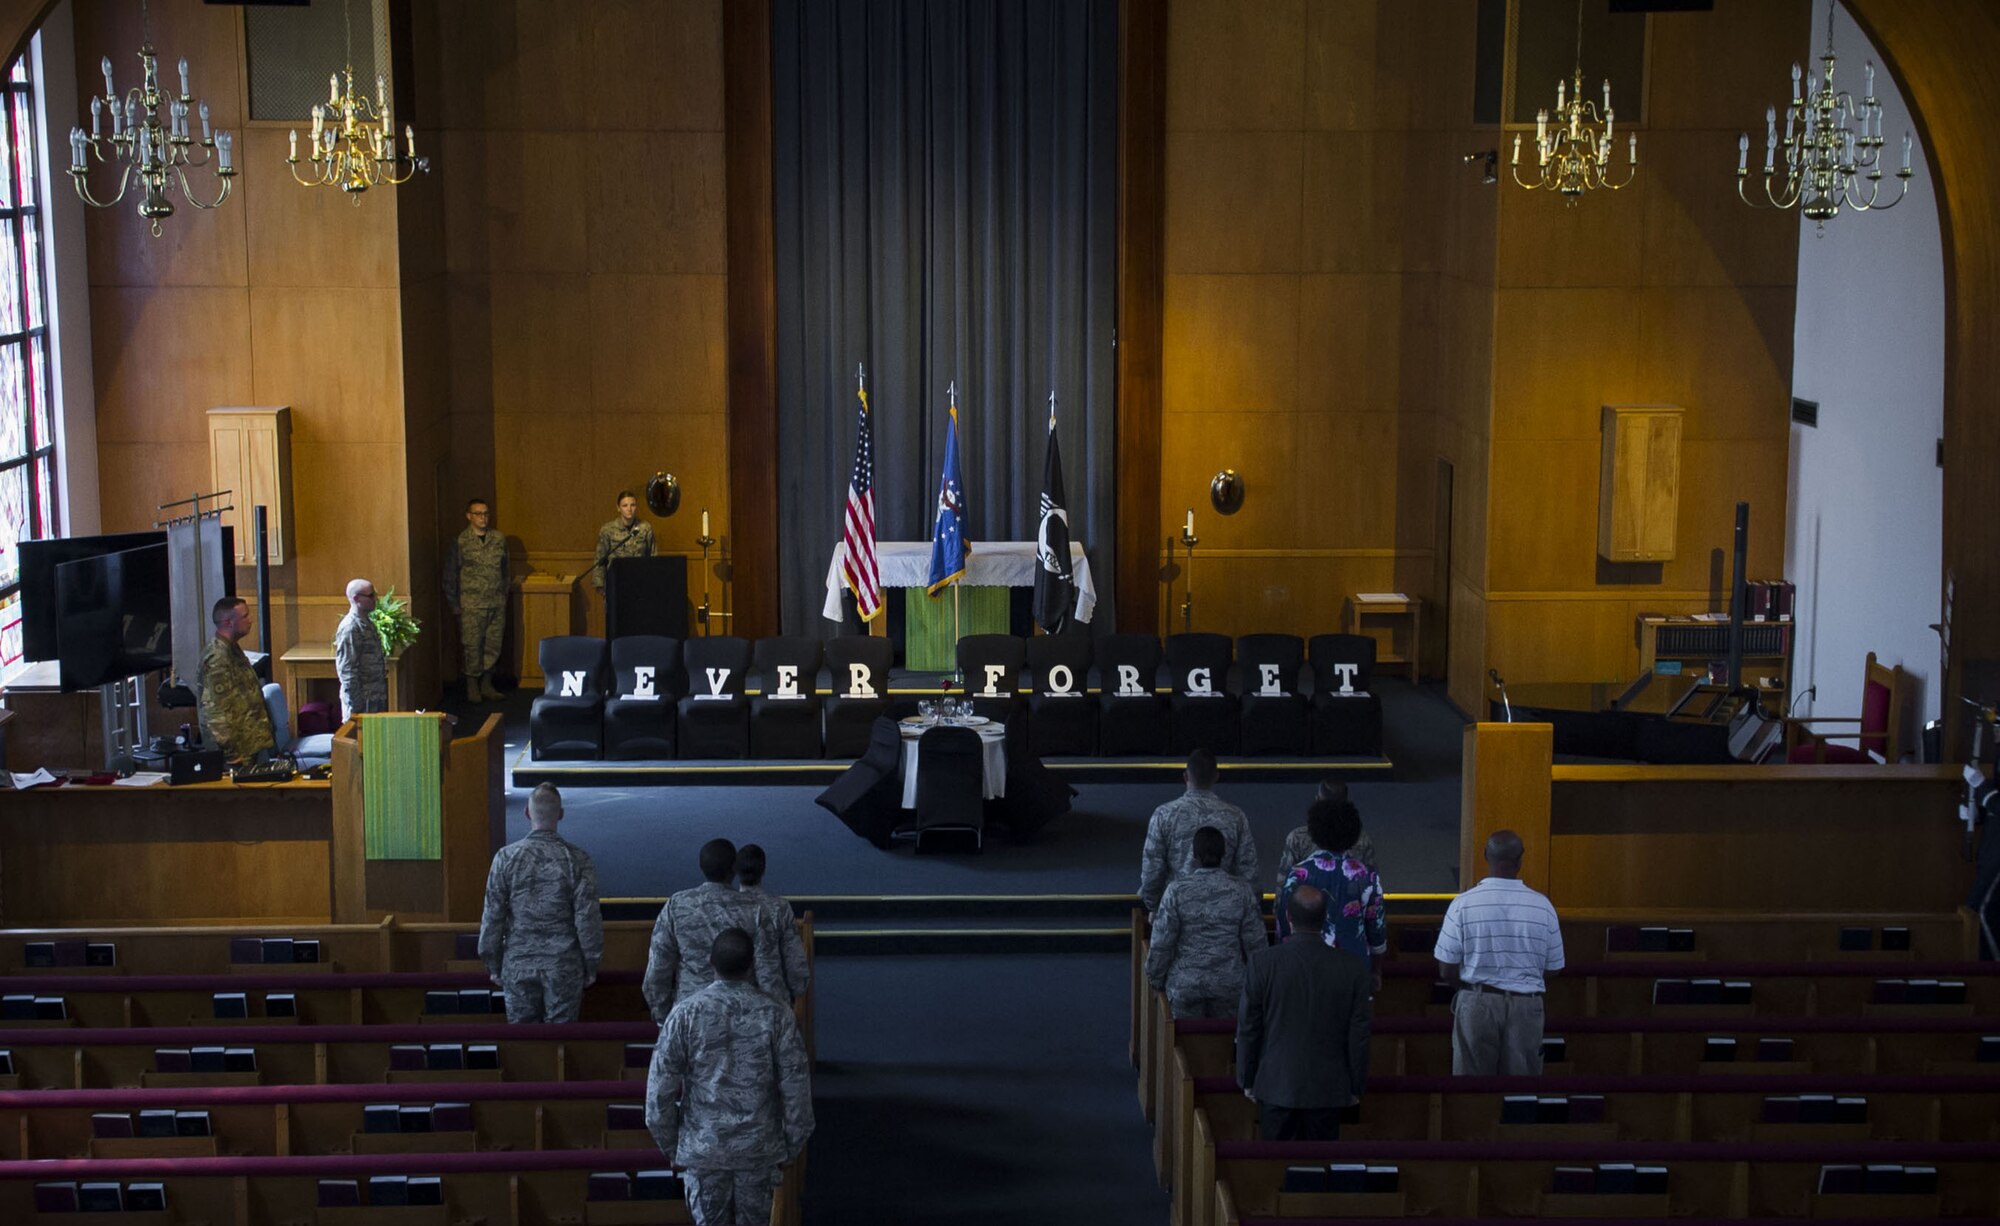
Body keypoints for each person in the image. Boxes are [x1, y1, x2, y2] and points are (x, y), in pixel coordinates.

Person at [647, 928, 814, 1226]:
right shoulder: (777, 1015)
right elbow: (797, 1088)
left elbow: (659, 1095)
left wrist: (672, 1147)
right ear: (752, 966)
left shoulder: (684, 1014)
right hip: (759, 1150)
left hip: (704, 1151)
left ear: (711, 963)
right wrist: (791, 1146)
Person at [1236, 885, 1372, 1141]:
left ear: (1288, 917)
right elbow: (1359, 1035)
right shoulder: (1351, 968)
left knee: (1275, 1171)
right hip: (1329, 1089)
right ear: (1325, 919)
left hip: (1276, 1086)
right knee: (1319, 1172)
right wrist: (1356, 1085)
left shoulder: (1262, 963)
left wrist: (1247, 1078)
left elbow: (1248, 1027)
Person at [1433, 829, 1565, 1075]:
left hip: (1477, 1000)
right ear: (1520, 860)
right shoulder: (1543, 906)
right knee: (1520, 1095)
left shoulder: (1463, 904)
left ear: (1485, 855)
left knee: (1471, 1090)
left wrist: (1472, 989)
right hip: (1526, 1005)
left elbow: (1446, 968)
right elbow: (1554, 967)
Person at [477, 783, 604, 1023]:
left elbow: (493, 916)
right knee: (562, 1042)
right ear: (561, 814)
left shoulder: (505, 858)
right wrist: (591, 964)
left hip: (518, 963)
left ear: (526, 813)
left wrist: (492, 963)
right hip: (563, 965)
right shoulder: (577, 859)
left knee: (526, 1046)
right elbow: (587, 919)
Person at [644, 839, 788, 1019]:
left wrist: (664, 1017)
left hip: (689, 1014)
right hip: (744, 1016)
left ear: (701, 867)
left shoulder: (677, 906)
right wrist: (777, 1017)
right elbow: (769, 973)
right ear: (734, 870)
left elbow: (657, 971)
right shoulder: (755, 909)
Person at [1144, 826, 1266, 1018]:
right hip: (1230, 983)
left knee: (1181, 1044)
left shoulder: (1176, 891)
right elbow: (1256, 944)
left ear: (1195, 856)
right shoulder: (1242, 891)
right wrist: (1260, 986)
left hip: (1186, 984)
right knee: (1226, 1045)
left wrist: (1155, 979)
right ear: (1224, 855)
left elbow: (1162, 942)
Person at [1275, 795, 1388, 994]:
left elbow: (1284, 925)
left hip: (1304, 970)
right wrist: (1376, 971)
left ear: (1315, 831)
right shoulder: (1367, 876)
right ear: (1353, 833)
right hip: (1353, 971)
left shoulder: (1298, 874)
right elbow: (1376, 931)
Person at [1138, 749, 1258, 913]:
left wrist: (1155, 907)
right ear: (1216, 777)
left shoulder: (1163, 815)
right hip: (1225, 913)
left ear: (1185, 776)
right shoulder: (1235, 816)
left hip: (1176, 912)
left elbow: (1152, 870)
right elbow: (1248, 872)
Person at [442, 497, 509, 705]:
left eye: (486, 513)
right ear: (469, 516)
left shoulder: (498, 539)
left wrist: (503, 596)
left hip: (496, 602)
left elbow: (505, 570)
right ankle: (472, 685)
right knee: (472, 646)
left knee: (493, 644)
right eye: (478, 514)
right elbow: (450, 574)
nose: (483, 518)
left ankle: (487, 684)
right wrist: (453, 603)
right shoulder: (461, 542)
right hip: (471, 604)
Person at [197, 596, 276, 765]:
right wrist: (231, 755)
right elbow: (215, 712)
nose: (251, 620)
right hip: (235, 754)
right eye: (245, 616)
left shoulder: (231, 648)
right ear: (228, 622)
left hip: (249, 744)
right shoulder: (217, 658)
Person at [737, 844, 811, 1005]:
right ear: (763, 871)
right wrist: (798, 989)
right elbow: (795, 962)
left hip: (730, 1005)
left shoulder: (724, 907)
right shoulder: (779, 908)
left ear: (735, 871)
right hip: (773, 1002)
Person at [1275, 778, 1378, 891]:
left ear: (1317, 801)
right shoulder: (1362, 840)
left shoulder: (1297, 839)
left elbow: (1284, 887)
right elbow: (1371, 886)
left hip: (1308, 906)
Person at [333, 577, 389, 721]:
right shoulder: (350, 628)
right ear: (356, 598)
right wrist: (357, 707)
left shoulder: (367, 622)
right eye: (371, 596)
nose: (375, 599)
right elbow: (347, 671)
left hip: (375, 699)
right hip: (362, 704)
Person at [592, 490, 656, 592]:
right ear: (618, 508)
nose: (629, 509)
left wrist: (653, 583)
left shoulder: (645, 528)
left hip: (640, 583)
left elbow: (653, 557)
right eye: (625, 506)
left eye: (633, 505)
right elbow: (600, 559)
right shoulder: (608, 530)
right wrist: (601, 586)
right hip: (616, 584)